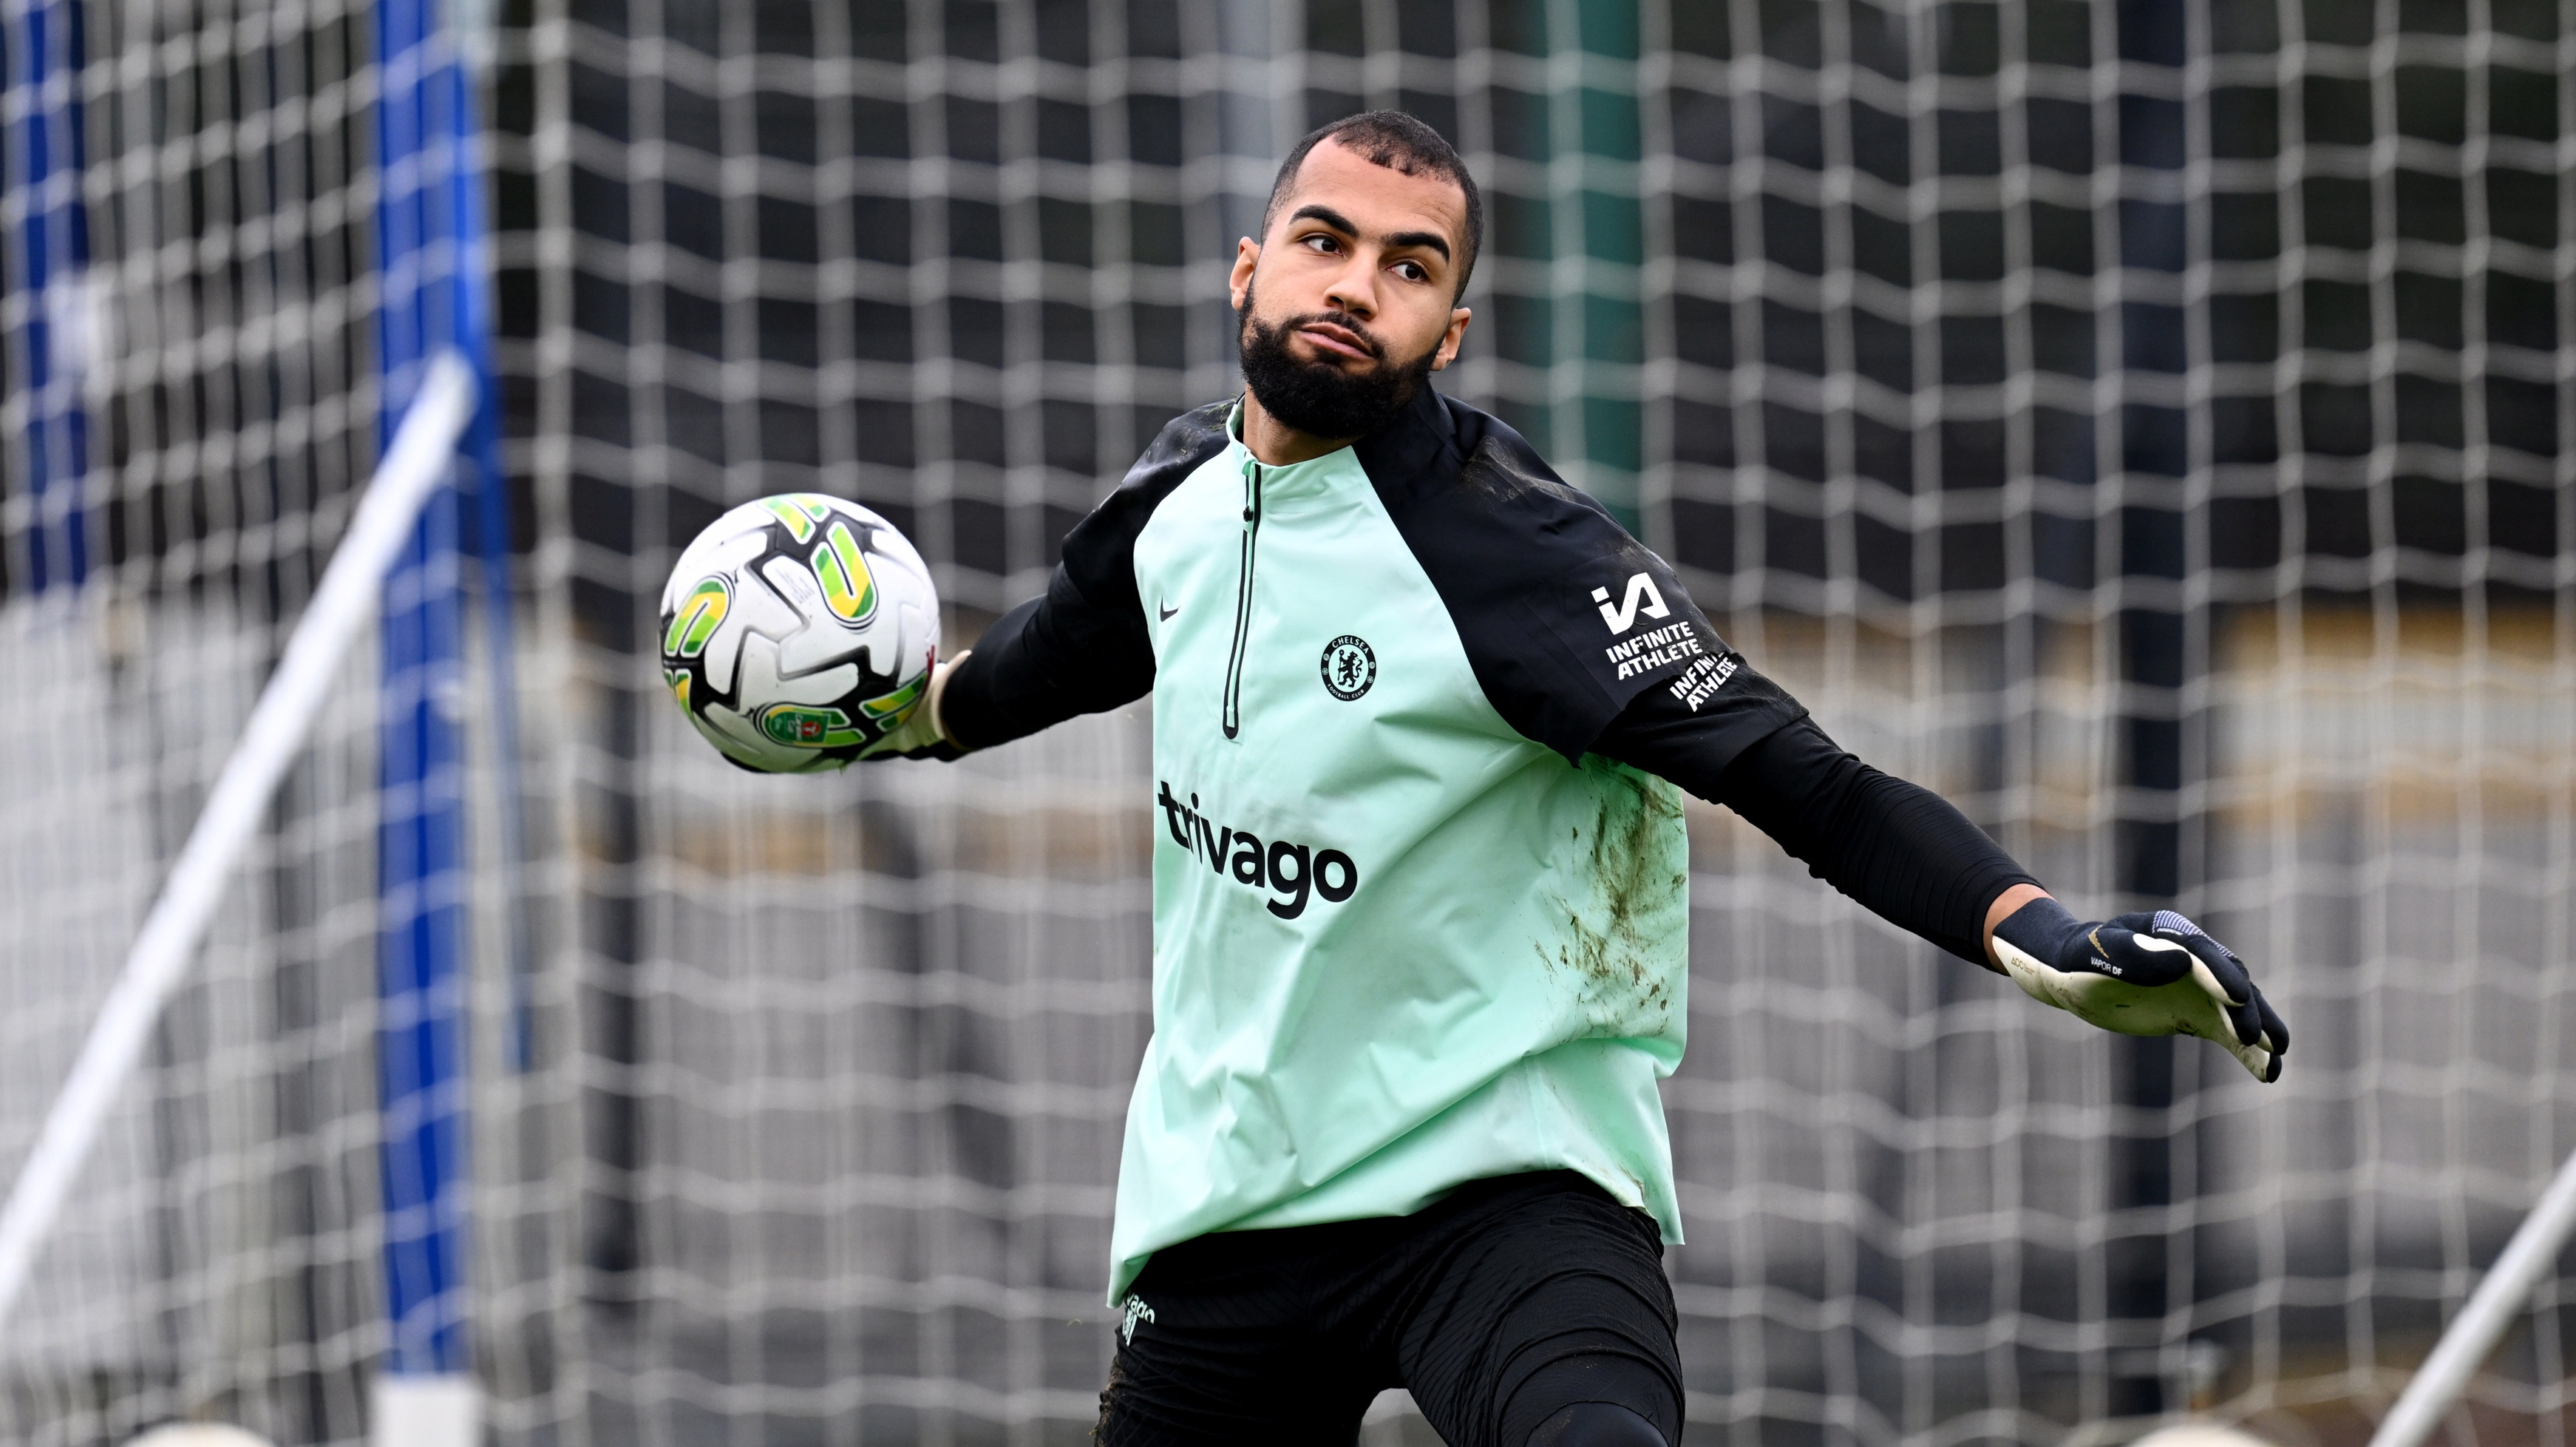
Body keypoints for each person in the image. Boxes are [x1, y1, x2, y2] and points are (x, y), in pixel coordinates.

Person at [866, 111, 2286, 1447]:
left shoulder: (1522, 558)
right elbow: (1031, 668)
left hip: (1501, 1189)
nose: (1357, 284)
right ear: (1249, 269)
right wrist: (862, 715)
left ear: (1450, 329)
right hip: (1232, 1200)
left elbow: (1805, 779)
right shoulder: (1172, 502)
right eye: (1323, 240)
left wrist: (2037, 933)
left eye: (1406, 266)